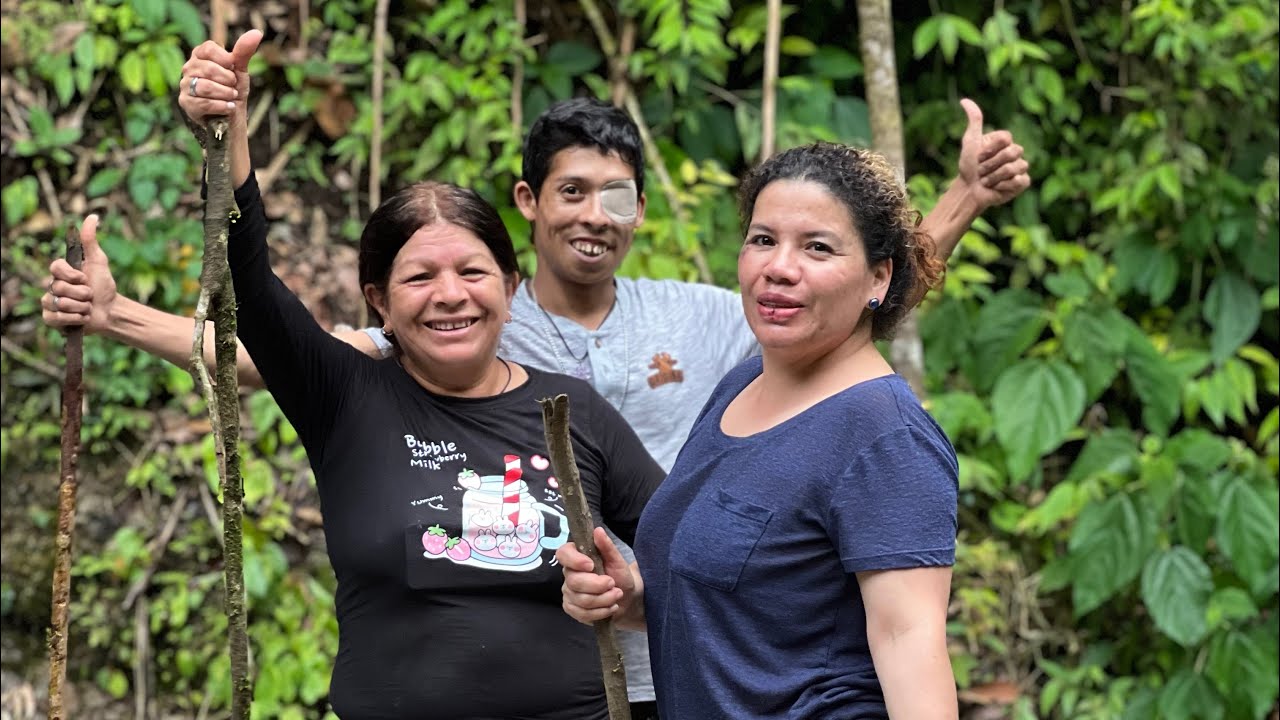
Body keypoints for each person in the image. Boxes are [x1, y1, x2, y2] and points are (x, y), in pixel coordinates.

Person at [42, 34, 1028, 718]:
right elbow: (260, 337)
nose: (448, 296)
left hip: (654, 693)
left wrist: (954, 203)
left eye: (615, 195)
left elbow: (834, 301)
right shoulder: (404, 366)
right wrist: (124, 306)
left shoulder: (704, 333)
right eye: (418, 278)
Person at [172, 30, 666, 719]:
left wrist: (635, 598)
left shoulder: (571, 409)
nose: (450, 294)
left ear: (510, 286)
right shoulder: (343, 393)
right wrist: (226, 143)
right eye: (420, 277)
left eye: (471, 271)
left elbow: (689, 539)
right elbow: (251, 290)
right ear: (378, 299)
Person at [558, 142, 962, 718]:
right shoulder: (742, 385)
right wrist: (634, 598)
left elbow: (911, 648)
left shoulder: (885, 437)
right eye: (763, 239)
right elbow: (755, 612)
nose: (779, 267)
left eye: (817, 247)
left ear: (879, 276)